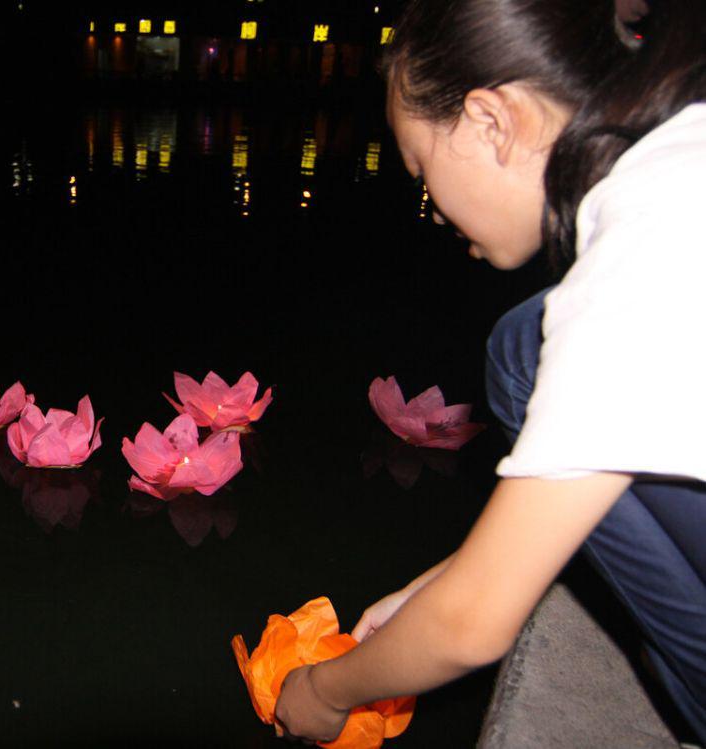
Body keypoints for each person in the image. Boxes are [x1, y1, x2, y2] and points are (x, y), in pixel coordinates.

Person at [275, 0, 706, 743]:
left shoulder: (644, 250)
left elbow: (473, 628)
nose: (432, 208)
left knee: (522, 352)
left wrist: (323, 688)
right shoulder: (677, 150)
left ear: (490, 120)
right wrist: (438, 582)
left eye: (420, 168)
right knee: (523, 346)